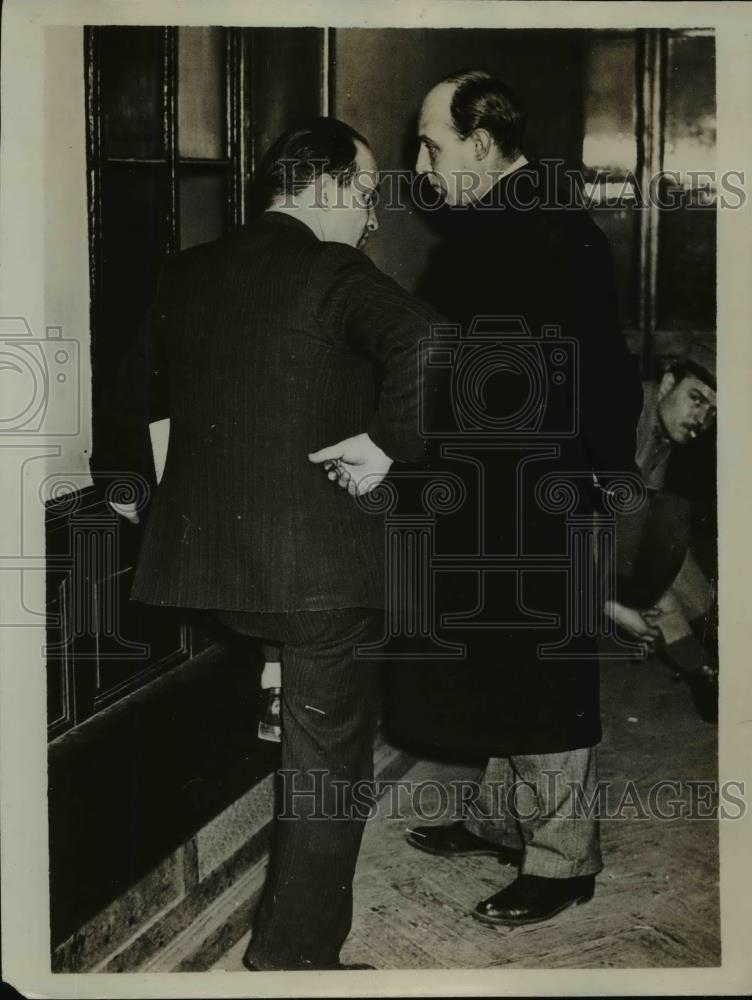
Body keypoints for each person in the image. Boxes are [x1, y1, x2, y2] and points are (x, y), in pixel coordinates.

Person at [96, 117, 441, 970]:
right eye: (363, 197)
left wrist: (134, 495)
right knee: (330, 770)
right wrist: (388, 445)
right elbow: (432, 340)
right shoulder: (332, 271)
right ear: (322, 186)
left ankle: (276, 681)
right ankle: (293, 962)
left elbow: (123, 396)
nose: (368, 220)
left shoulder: (189, 270)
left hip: (210, 574)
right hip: (319, 581)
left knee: (291, 676)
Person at [390, 70, 642, 927]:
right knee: (507, 660)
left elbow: (603, 367)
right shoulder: (498, 227)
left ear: (484, 145)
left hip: (541, 491)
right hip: (499, 488)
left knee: (546, 678)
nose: (420, 165)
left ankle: (564, 860)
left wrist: (601, 488)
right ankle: (503, 820)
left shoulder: (546, 230)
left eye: (432, 144)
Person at [604, 338, 718, 721]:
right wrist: (613, 607)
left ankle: (716, 649)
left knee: (665, 531)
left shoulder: (665, 431)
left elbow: (641, 533)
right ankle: (704, 671)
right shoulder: (620, 415)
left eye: (714, 411)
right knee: (658, 541)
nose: (702, 419)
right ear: (668, 383)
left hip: (598, 540)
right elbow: (554, 535)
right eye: (697, 398)